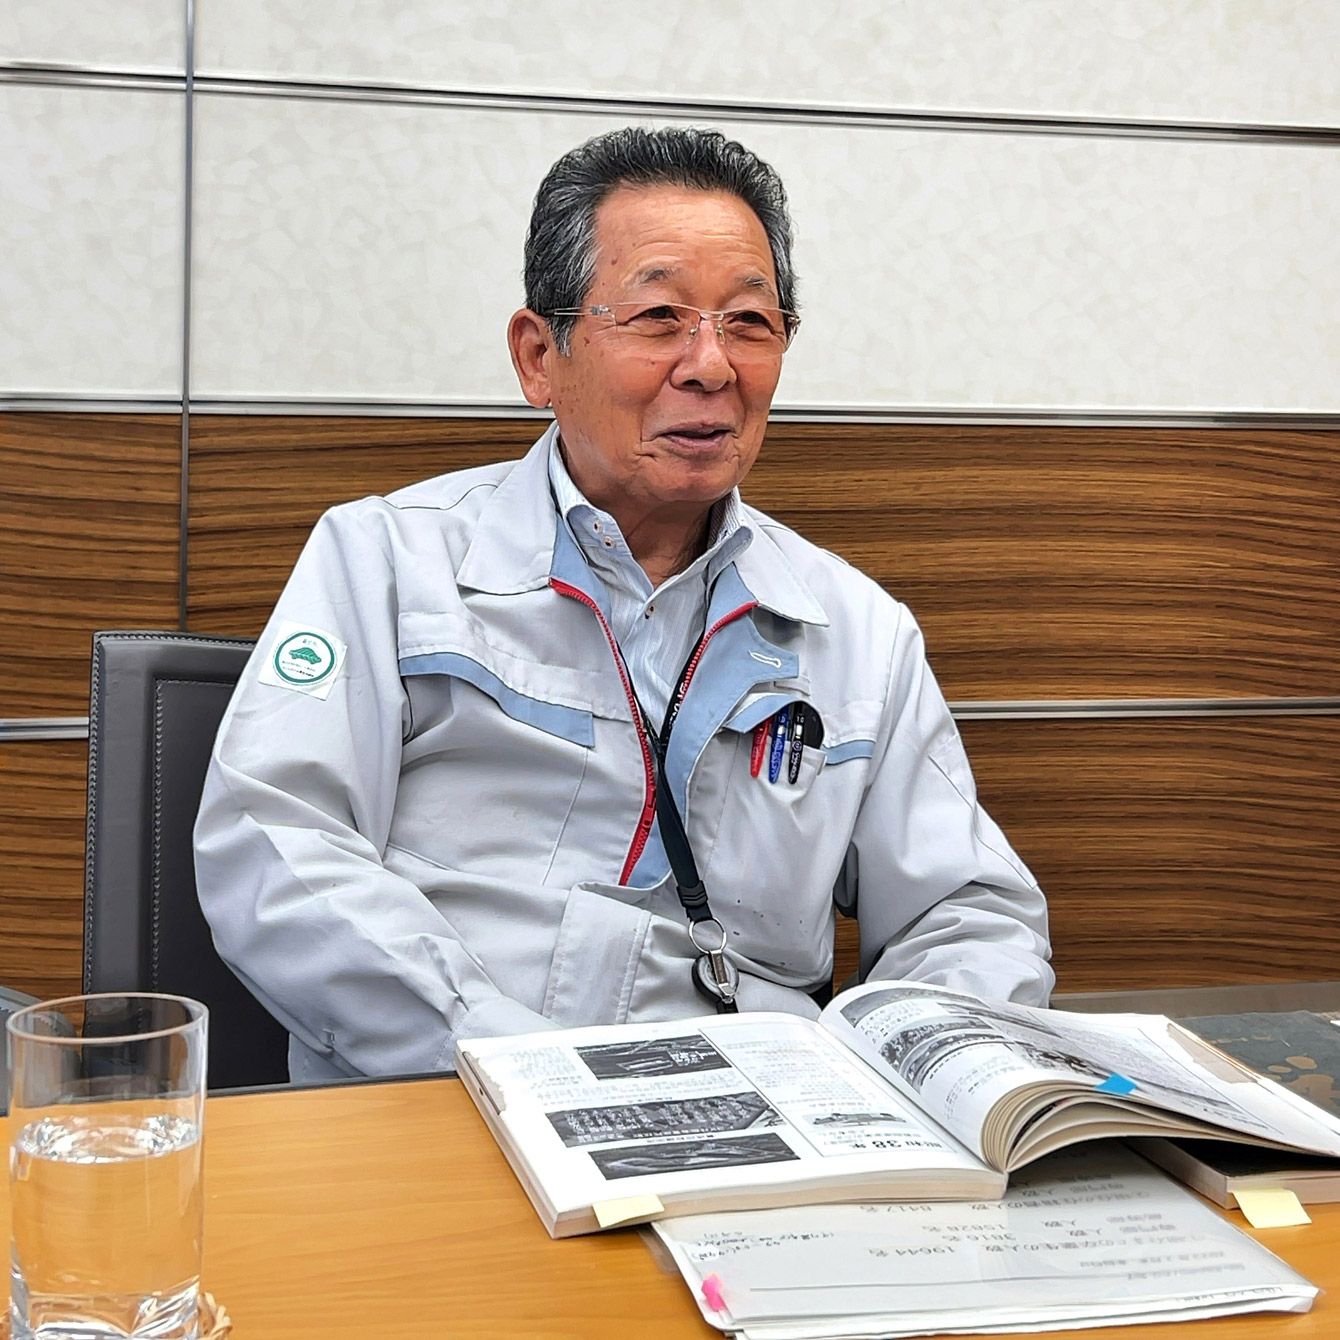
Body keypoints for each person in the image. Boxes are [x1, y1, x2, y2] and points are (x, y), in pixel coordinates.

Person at [195, 126, 1052, 1083]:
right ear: (539, 356)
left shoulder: (857, 632)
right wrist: (507, 1060)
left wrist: (928, 1073)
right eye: (658, 317)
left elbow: (966, 913)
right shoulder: (387, 562)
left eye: (750, 322)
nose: (712, 365)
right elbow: (276, 841)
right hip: (444, 1093)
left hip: (760, 1112)